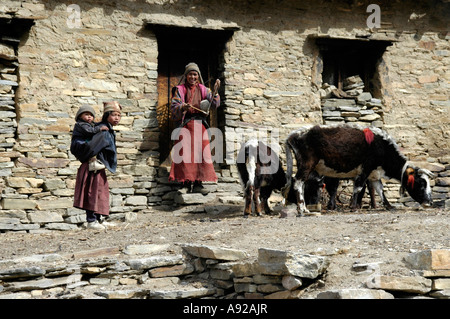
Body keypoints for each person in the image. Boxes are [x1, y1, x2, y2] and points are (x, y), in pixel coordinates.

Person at [169, 62, 221, 193]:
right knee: (185, 155)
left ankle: (198, 183)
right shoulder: (179, 89)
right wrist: (182, 107)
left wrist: (215, 91)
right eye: (190, 74)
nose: (193, 77)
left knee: (201, 154)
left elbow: (214, 104)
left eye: (195, 74)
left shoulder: (204, 89)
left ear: (198, 76)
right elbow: (174, 106)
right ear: (186, 76)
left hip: (200, 126)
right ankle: (186, 183)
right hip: (185, 126)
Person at [72, 101, 122, 230]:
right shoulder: (101, 130)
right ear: (106, 116)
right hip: (91, 166)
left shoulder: (106, 129)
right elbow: (92, 147)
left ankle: (99, 219)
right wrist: (94, 159)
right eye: (114, 115)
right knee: (92, 192)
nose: (117, 118)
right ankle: (91, 221)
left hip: (98, 167)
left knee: (100, 192)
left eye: (119, 115)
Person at [72, 104, 109, 172]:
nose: (89, 117)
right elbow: (89, 131)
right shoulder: (80, 124)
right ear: (80, 116)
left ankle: (93, 161)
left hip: (84, 143)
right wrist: (99, 128)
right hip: (80, 145)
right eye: (86, 114)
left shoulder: (89, 125)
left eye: (91, 115)